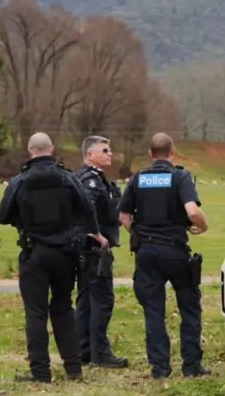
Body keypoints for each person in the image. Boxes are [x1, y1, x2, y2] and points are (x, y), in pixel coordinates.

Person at [0, 132, 109, 383]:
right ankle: (73, 367)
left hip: (34, 252)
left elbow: (3, 216)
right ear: (52, 149)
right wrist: (95, 235)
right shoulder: (67, 177)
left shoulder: (20, 181)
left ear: (30, 150)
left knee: (35, 312)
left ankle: (40, 372)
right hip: (65, 253)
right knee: (63, 309)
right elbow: (86, 209)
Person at [118, 133, 211, 380]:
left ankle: (160, 368)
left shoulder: (139, 178)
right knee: (189, 308)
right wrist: (202, 227)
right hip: (175, 251)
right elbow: (192, 210)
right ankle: (191, 366)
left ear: (150, 154)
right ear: (172, 153)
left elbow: (124, 217)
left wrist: (140, 234)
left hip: (147, 253)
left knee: (153, 311)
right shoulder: (180, 176)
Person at [73, 135, 128, 368]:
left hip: (85, 250)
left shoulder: (92, 177)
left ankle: (84, 351)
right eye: (104, 150)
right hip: (94, 250)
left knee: (86, 301)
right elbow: (87, 206)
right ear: (90, 155)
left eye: (110, 149)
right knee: (102, 300)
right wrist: (96, 234)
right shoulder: (91, 180)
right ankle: (101, 354)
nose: (110, 153)